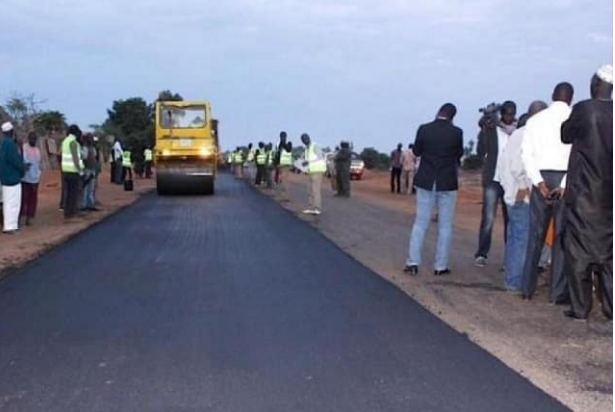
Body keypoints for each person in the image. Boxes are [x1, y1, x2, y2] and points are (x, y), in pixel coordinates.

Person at [561, 65, 613, 320]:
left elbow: (565, 134)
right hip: (610, 197)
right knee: (609, 255)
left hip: (584, 194)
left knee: (579, 252)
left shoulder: (584, 109)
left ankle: (580, 307)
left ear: (595, 86)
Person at [520, 82, 574, 303]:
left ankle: (527, 288)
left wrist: (539, 182)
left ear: (552, 96)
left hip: (541, 177)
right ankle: (556, 293)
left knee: (536, 236)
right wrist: (564, 183)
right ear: (571, 98)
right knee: (560, 238)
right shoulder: (575, 120)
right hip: (565, 179)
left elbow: (526, 154)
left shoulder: (534, 121)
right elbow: (577, 155)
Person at [403, 104, 463, 276]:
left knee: (420, 223)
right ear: (452, 117)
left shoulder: (424, 129)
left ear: (438, 112)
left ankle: (413, 263)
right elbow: (458, 154)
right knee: (445, 226)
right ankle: (440, 266)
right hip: (447, 181)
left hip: (426, 180)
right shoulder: (456, 133)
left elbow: (416, 151)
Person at [499, 101, 548, 292]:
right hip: (521, 195)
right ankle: (515, 281)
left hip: (513, 194)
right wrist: (522, 188)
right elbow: (518, 167)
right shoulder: (527, 135)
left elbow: (504, 167)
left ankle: (512, 277)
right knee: (521, 238)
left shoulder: (517, 134)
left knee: (514, 237)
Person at [474, 101, 517, 267]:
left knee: (511, 220)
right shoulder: (491, 129)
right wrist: (483, 131)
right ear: (501, 114)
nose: (509, 117)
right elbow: (480, 152)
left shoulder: (519, 131)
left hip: (511, 181)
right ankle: (482, 254)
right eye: (506, 114)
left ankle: (510, 257)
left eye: (512, 115)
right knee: (488, 218)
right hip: (493, 179)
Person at [0, 122, 25, 233]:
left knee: (7, 203)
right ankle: (11, 227)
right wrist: (22, 169)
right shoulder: (10, 144)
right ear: (12, 132)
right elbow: (16, 161)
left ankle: (8, 225)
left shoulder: (3, 144)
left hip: (5, 177)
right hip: (13, 177)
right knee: (13, 203)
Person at [61, 125, 84, 219]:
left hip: (65, 170)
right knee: (73, 193)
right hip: (73, 171)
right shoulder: (73, 142)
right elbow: (75, 158)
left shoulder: (65, 141)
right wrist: (80, 170)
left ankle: (67, 213)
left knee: (68, 193)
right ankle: (72, 213)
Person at [301, 133, 326, 215]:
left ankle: (317, 208)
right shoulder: (307, 149)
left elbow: (320, 157)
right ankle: (311, 207)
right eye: (303, 140)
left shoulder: (314, 146)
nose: (305, 141)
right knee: (310, 189)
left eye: (305, 139)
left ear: (309, 138)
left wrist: (309, 162)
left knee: (315, 190)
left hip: (317, 170)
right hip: (311, 171)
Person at [21, 131, 42, 226]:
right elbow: (24, 161)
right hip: (25, 178)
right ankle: (22, 217)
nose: (33, 140)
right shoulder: (24, 148)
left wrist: (38, 175)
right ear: (28, 139)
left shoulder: (37, 150)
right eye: (32, 138)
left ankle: (30, 218)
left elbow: (38, 164)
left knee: (32, 200)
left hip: (35, 179)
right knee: (24, 198)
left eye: (35, 139)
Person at [81, 134, 98, 211]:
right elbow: (93, 157)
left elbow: (84, 157)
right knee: (90, 188)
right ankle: (89, 204)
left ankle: (85, 205)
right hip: (91, 169)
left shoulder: (85, 148)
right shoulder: (92, 149)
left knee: (86, 188)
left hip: (88, 169)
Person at [275, 132, 293, 201]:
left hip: (286, 165)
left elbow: (288, 149)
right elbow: (277, 154)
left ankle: (285, 196)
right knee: (281, 180)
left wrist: (283, 143)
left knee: (284, 180)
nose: (282, 137)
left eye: (283, 136)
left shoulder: (289, 143)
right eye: (281, 136)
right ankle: (283, 195)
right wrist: (276, 164)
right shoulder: (278, 144)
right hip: (280, 165)